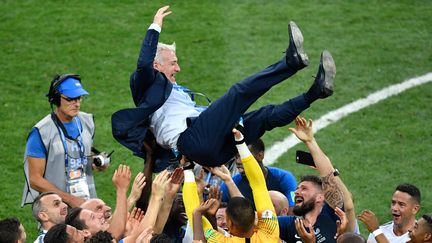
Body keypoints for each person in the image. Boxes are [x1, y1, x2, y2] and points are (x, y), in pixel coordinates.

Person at [111, 5, 336, 168]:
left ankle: (316, 92)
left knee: (264, 117)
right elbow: (142, 63)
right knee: (238, 94)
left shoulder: (176, 92)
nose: (178, 68)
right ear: (156, 65)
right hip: (193, 140)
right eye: (173, 63)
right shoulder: (145, 85)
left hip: (211, 150)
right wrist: (155, 25)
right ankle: (291, 62)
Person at [22, 73, 106, 208]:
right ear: (55, 99)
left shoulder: (87, 121)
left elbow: (79, 152)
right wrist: (69, 199)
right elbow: (35, 179)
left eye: (79, 98)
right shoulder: (41, 132)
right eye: (70, 99)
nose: (77, 103)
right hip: (56, 209)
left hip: (87, 203)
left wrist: (96, 162)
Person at [184, 127, 280, 242]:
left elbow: (195, 217)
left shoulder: (220, 241)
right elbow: (259, 186)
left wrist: (188, 170)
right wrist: (187, 168)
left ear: (230, 223)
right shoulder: (270, 231)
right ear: (254, 217)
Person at [278, 116, 353, 243]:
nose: (296, 192)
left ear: (320, 197)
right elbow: (251, 221)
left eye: (304, 188)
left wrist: (310, 142)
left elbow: (328, 176)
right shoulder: (290, 224)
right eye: (297, 188)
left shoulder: (332, 217)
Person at [220, 138, 296, 214]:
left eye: (244, 157)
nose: (238, 161)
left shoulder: (284, 178)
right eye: (236, 157)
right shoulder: (229, 185)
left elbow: (291, 212)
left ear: (260, 155)